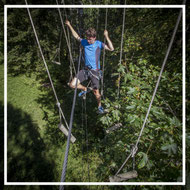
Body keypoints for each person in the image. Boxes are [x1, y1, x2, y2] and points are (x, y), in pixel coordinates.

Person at [65, 20, 114, 114]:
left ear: (94, 38)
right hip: (85, 70)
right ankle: (85, 89)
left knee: (96, 92)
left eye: (90, 39)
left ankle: (100, 107)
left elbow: (112, 49)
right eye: (87, 38)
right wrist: (69, 25)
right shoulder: (84, 42)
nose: (88, 40)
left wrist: (106, 36)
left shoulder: (99, 44)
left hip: (95, 71)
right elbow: (76, 36)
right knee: (72, 84)